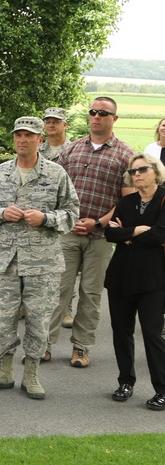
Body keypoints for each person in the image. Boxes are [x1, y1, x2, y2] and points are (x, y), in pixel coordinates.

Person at [0, 117, 78, 400]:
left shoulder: (56, 174)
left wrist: (46, 218)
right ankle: (3, 371)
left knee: (38, 319)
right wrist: (1, 213)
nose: (22, 139)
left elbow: (71, 213)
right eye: (18, 134)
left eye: (28, 135)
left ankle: (31, 373)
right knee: (3, 318)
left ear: (39, 139)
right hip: (6, 260)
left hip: (42, 263)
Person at [47, 97, 134, 368]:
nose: (96, 116)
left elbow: (127, 202)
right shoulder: (71, 151)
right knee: (58, 290)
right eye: (93, 112)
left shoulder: (125, 155)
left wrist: (98, 223)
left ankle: (81, 348)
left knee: (91, 293)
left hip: (101, 237)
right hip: (69, 233)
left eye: (103, 113)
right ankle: (45, 344)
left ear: (114, 119)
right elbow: (56, 191)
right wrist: (67, 219)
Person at [104, 153, 165, 408]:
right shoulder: (126, 201)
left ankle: (162, 389)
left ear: (156, 172)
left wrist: (127, 235)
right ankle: (125, 381)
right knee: (121, 331)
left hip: (153, 279)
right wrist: (137, 231)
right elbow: (109, 233)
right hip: (121, 277)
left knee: (152, 333)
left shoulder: (164, 199)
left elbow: (160, 235)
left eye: (142, 169)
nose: (136, 174)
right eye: (132, 171)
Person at [38, 106, 75, 328]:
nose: (51, 124)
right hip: (39, 213)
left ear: (65, 124)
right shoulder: (37, 147)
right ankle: (31, 303)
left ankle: (66, 309)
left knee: (64, 265)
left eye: (56, 121)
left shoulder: (74, 150)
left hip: (62, 214)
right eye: (48, 121)